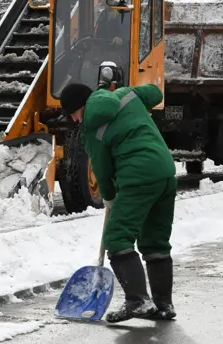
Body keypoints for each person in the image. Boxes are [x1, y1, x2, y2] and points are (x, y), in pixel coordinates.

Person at [59, 82, 177, 323]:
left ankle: (137, 301)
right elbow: (156, 92)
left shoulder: (92, 127)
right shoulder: (127, 95)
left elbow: (102, 171)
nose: (74, 120)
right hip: (166, 171)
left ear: (81, 107)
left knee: (117, 239)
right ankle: (164, 305)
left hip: (137, 176)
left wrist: (109, 197)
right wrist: (132, 94)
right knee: (155, 241)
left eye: (73, 113)